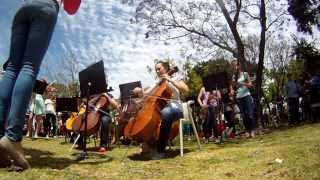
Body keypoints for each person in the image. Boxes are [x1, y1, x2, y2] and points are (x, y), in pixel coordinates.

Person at [0, 0, 81, 170]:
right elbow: (72, 8)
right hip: (45, 7)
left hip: (23, 8)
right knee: (28, 67)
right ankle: (13, 138)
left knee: (12, 69)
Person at [132, 61, 189, 159]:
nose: (157, 71)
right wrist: (140, 94)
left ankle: (160, 150)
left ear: (166, 68)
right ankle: (149, 143)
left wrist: (169, 79)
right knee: (153, 117)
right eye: (156, 70)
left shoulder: (176, 78)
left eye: (159, 68)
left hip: (177, 106)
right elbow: (147, 95)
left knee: (166, 112)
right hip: (163, 109)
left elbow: (186, 90)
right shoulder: (157, 83)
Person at [230, 60, 256, 138]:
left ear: (239, 66)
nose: (235, 67)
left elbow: (251, 85)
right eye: (233, 66)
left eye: (236, 65)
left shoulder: (245, 74)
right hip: (239, 98)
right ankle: (247, 130)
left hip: (246, 95)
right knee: (243, 116)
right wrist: (231, 91)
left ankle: (252, 130)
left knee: (250, 114)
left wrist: (242, 83)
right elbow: (232, 87)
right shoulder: (234, 77)